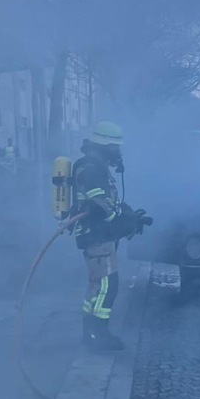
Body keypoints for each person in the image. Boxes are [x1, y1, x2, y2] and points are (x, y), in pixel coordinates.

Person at [72, 121, 150, 353]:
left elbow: (112, 205)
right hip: (94, 235)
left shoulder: (96, 166)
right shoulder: (91, 168)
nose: (118, 153)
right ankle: (97, 333)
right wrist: (125, 220)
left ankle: (92, 331)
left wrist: (132, 217)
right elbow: (104, 207)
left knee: (99, 284)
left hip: (99, 235)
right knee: (107, 284)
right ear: (104, 145)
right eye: (115, 148)